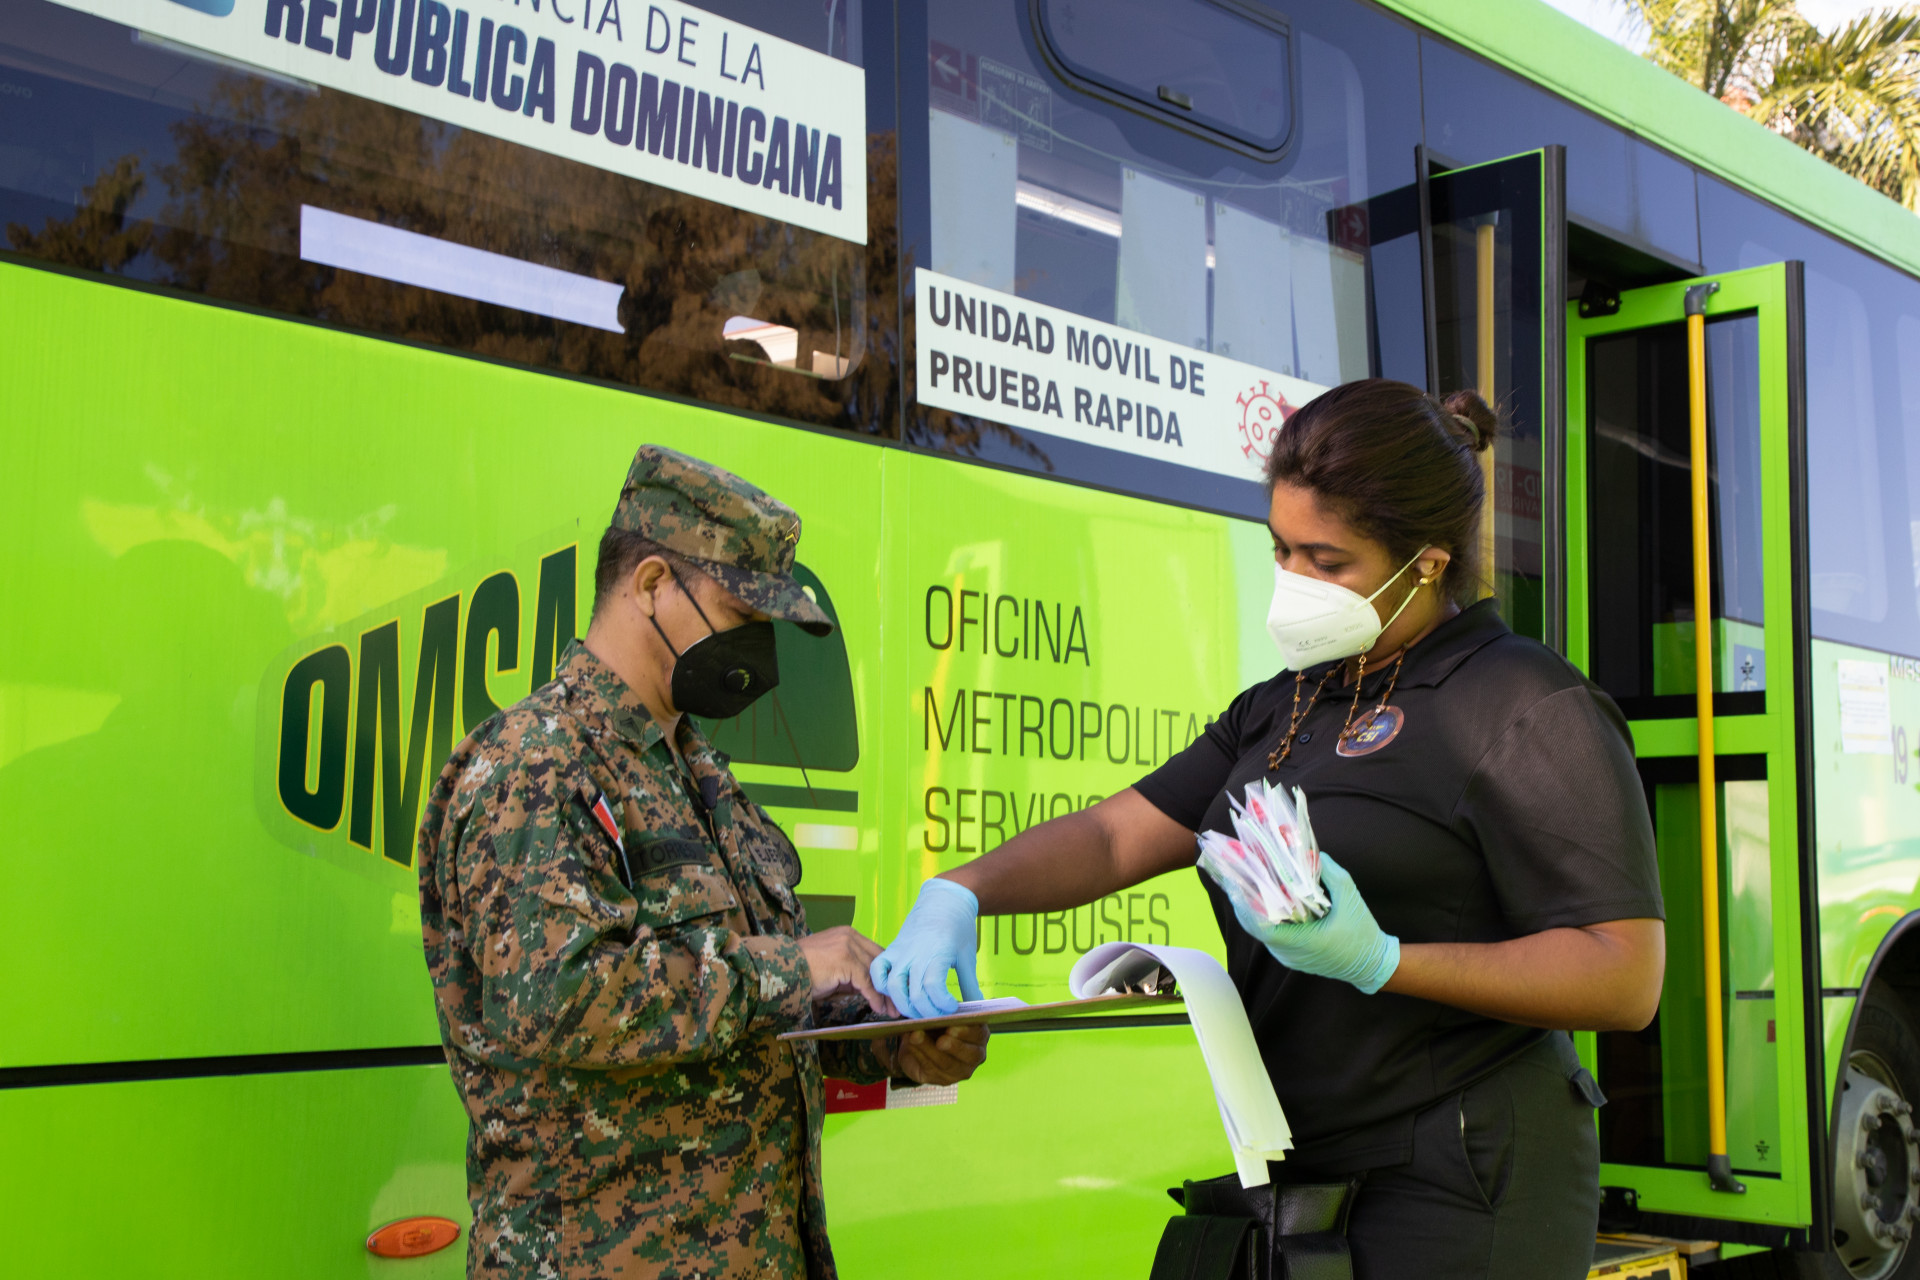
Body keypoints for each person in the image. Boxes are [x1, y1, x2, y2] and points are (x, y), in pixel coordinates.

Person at [870, 381, 1666, 1279]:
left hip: (1465, 1171)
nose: (1294, 582)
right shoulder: (1287, 704)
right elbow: (1116, 837)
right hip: (1305, 1161)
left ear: (1428, 563)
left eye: (1328, 561)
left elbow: (1623, 975)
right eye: (1282, 550)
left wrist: (1383, 961)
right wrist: (960, 892)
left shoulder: (1525, 703)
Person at [418, 444, 988, 1280]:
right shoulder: (535, 767)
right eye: (740, 612)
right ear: (651, 584)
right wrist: (798, 965)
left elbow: (750, 1022)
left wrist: (893, 1041)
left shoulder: (700, 775)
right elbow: (556, 1001)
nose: (757, 646)